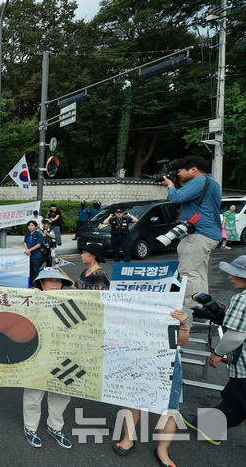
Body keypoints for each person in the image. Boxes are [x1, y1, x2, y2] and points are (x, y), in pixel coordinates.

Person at [182, 255, 246, 446]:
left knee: (236, 398)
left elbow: (235, 336)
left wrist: (217, 353)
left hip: (244, 366)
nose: (230, 277)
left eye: (236, 274)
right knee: (234, 400)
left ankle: (209, 426)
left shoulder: (242, 299)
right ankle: (210, 427)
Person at [112, 308, 190, 465]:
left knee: (169, 409)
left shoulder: (178, 306)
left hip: (166, 361)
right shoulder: (131, 299)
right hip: (133, 356)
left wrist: (183, 324)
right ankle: (128, 437)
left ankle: (162, 449)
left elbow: (181, 341)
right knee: (131, 400)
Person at [162, 155, 222, 320]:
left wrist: (170, 186)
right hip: (208, 233)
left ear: (193, 169)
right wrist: (175, 184)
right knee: (199, 272)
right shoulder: (211, 182)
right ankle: (204, 304)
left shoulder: (199, 181)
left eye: (180, 171)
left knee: (187, 271)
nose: (178, 174)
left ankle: (194, 307)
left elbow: (177, 197)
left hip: (199, 233)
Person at [23, 267, 74, 449]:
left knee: (61, 393)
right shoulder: (29, 300)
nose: (55, 284)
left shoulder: (73, 302)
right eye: (49, 280)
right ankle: (30, 427)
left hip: (64, 356)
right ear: (40, 284)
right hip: (36, 356)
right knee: (34, 393)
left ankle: (55, 426)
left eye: (58, 281)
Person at [23, 220, 43, 286]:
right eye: (29, 225)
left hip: (36, 256)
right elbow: (25, 242)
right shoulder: (27, 234)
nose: (30, 227)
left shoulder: (38, 234)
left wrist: (29, 250)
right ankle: (29, 284)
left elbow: (38, 245)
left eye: (32, 225)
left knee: (35, 271)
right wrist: (27, 250)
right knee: (29, 271)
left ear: (36, 226)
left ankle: (35, 286)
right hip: (28, 256)